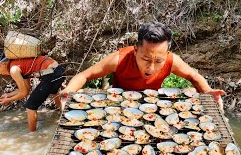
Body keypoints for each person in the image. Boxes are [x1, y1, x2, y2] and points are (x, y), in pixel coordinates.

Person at [61, 21, 225, 110]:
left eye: (158, 61)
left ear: (166, 55)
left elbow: (193, 76)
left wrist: (209, 92)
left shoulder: (172, 60)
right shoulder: (119, 59)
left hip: (151, 104)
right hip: (119, 105)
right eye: (145, 59)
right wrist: (69, 90)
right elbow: (84, 75)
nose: (151, 68)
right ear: (135, 51)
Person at [0, 53, 65, 132]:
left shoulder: (13, 70)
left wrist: (8, 100)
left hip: (51, 74)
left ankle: (32, 135)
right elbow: (26, 89)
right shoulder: (18, 63)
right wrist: (8, 95)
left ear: (2, 64)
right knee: (54, 92)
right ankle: (63, 114)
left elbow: (24, 93)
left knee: (30, 106)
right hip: (58, 70)